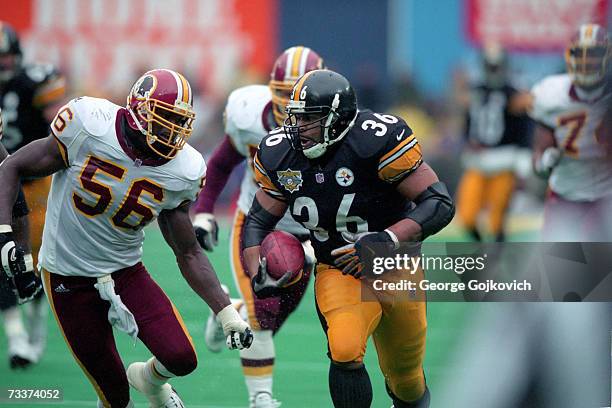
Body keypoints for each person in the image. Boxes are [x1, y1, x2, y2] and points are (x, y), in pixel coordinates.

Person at [0, 68, 253, 408]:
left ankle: (148, 380)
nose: (172, 132)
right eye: (164, 119)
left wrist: (226, 313)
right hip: (66, 277)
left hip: (125, 272)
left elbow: (188, 251)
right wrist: (5, 235)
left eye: (179, 123)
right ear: (138, 111)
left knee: (182, 358)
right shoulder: (89, 123)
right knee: (114, 396)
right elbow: (13, 166)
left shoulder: (183, 169)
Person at [243, 69, 454, 408]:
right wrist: (259, 273)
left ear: (337, 119)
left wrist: (386, 239)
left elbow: (439, 203)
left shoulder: (376, 140)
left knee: (407, 379)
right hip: (339, 267)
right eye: (296, 117)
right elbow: (257, 221)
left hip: (396, 264)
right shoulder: (281, 153)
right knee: (344, 348)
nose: (298, 129)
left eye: (309, 119)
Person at [192, 45, 323, 408]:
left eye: (301, 100)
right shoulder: (249, 115)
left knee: (275, 315)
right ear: (271, 90)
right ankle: (261, 399)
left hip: (308, 229)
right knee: (262, 317)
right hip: (257, 222)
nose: (291, 108)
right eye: (283, 96)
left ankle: (225, 310)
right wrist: (204, 211)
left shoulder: (333, 129)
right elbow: (220, 164)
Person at [0, 21, 66, 366]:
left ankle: (36, 333)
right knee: (2, 258)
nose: (3, 64)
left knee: (36, 260)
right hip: (1, 178)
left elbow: (58, 122)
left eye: (7, 57)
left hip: (34, 178)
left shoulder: (32, 83)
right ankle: (18, 340)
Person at [530, 23, 612, 241]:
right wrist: (545, 161)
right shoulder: (551, 94)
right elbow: (539, 155)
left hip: (607, 197)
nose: (587, 61)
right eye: (580, 53)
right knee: (558, 270)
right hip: (565, 196)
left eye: (594, 54)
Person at [455, 42, 532, 242]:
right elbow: (468, 122)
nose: (493, 71)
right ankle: (481, 247)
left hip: (503, 162)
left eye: (496, 66)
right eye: (490, 66)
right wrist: (467, 142)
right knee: (466, 215)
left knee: (497, 220)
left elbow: (524, 129)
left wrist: (523, 162)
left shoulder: (514, 94)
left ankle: (497, 257)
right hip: (477, 161)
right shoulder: (476, 90)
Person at [0, 107, 44, 368]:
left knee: (15, 264)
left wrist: (24, 259)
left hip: (35, 186)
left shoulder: (3, 160)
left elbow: (18, 209)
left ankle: (25, 335)